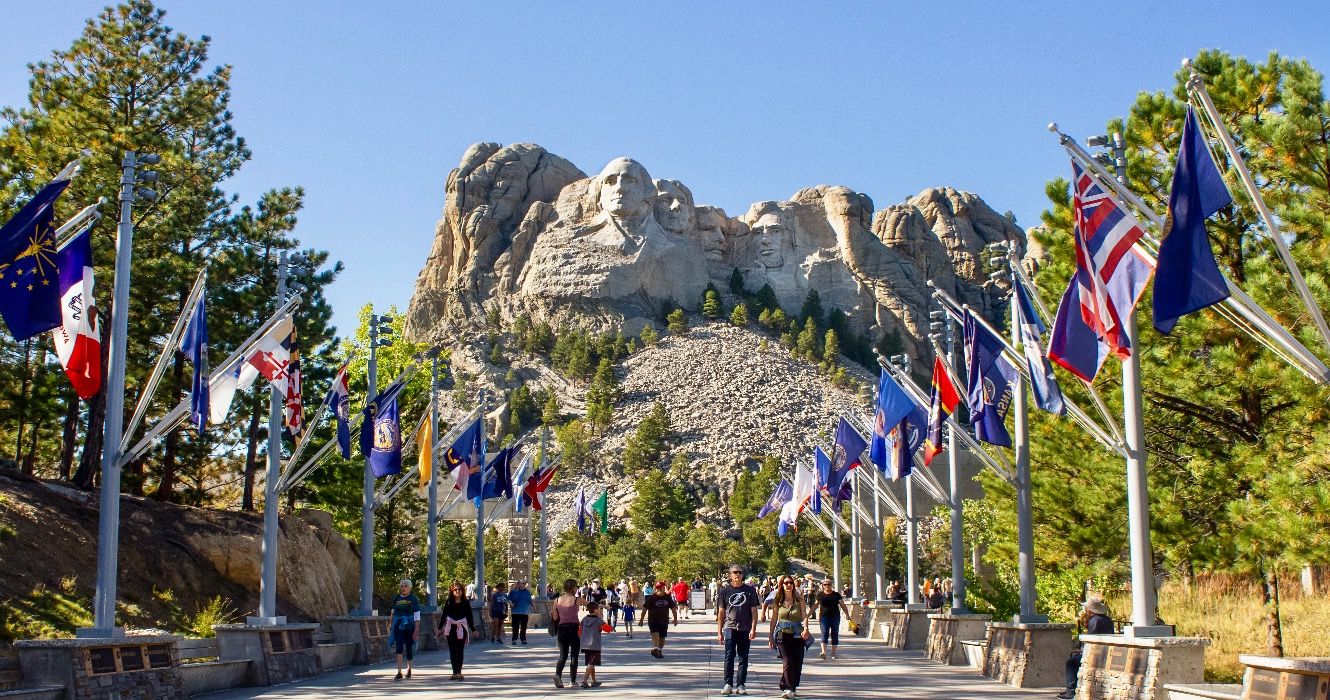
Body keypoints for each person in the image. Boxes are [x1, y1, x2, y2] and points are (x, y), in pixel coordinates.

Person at [1059, 596, 1115, 699]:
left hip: (1097, 654)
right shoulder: (1108, 619)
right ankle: (1072, 689)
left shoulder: (1095, 621)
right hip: (1106, 652)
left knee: (1071, 662)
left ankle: (1071, 691)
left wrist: (1082, 652)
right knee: (1074, 658)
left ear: (1090, 610)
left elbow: (1091, 642)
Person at [716, 564, 760, 696]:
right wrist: (719, 632)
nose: (737, 575)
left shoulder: (749, 590)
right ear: (730, 575)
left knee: (743, 657)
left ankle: (741, 684)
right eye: (734, 572)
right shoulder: (724, 591)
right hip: (729, 627)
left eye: (740, 572)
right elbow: (721, 612)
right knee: (729, 656)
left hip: (745, 628)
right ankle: (728, 683)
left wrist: (753, 628)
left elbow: (754, 610)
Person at [768, 575, 810, 699]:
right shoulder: (777, 600)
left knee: (797, 661)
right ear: (781, 585)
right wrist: (770, 636)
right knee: (787, 660)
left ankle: (789, 685)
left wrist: (806, 628)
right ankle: (789, 688)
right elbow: (774, 618)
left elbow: (804, 615)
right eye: (786, 583)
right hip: (782, 633)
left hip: (797, 633)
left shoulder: (799, 599)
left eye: (790, 583)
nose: (788, 585)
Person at [437, 580, 474, 681]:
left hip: (462, 627)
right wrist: (440, 628)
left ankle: (459, 672)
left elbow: (469, 617)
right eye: (455, 589)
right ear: (452, 591)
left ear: (462, 591)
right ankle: (454, 672)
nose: (457, 591)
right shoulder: (449, 602)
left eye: (459, 589)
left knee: (460, 650)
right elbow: (444, 615)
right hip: (451, 628)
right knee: (452, 651)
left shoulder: (466, 603)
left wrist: (473, 629)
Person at [551, 578, 583, 688]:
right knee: (574, 655)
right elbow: (591, 605)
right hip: (574, 628)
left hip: (562, 629)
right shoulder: (577, 599)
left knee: (563, 655)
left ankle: (558, 675)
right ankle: (573, 680)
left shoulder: (557, 600)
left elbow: (555, 617)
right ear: (573, 587)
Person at [389, 579, 421, 680]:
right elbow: (393, 612)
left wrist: (416, 629)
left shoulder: (413, 599)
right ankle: (399, 671)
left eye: (405, 586)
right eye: (402, 586)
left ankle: (409, 669)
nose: (403, 588)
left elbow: (417, 615)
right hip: (398, 625)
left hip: (409, 626)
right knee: (399, 646)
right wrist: (390, 624)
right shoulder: (397, 598)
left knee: (408, 647)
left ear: (410, 587)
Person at [815, 578, 849, 660]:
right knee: (824, 633)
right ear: (822, 586)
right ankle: (823, 652)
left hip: (835, 617)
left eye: (828, 584)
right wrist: (808, 615)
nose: (827, 586)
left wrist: (847, 614)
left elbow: (843, 605)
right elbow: (815, 605)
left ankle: (833, 653)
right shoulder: (820, 595)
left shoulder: (836, 595)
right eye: (825, 584)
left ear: (831, 585)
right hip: (824, 617)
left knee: (834, 634)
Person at [644, 580, 679, 658]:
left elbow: (673, 608)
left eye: (660, 588)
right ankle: (655, 648)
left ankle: (658, 650)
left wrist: (675, 619)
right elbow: (644, 609)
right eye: (657, 588)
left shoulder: (667, 597)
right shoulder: (652, 597)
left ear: (664, 588)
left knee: (662, 638)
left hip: (664, 621)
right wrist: (641, 620)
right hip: (653, 620)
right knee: (655, 635)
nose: (659, 589)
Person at [579, 601, 606, 688]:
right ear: (595, 610)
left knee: (591, 663)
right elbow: (608, 629)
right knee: (591, 663)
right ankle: (584, 681)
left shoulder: (584, 619)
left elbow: (579, 631)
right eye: (598, 609)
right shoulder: (598, 620)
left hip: (585, 644)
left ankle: (594, 681)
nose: (599, 610)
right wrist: (601, 618)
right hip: (594, 645)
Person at [509, 580, 533, 645]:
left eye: (523, 583)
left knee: (524, 627)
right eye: (519, 583)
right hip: (515, 612)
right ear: (517, 584)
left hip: (524, 612)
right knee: (515, 627)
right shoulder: (513, 592)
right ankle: (514, 639)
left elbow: (530, 600)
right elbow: (508, 599)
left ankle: (523, 639)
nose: (521, 585)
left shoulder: (527, 592)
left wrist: (534, 607)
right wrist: (510, 603)